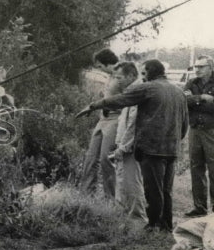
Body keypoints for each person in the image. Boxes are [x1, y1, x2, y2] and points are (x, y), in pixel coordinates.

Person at [77, 59, 189, 232]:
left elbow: (120, 100)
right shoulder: (178, 91)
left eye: (143, 73)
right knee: (166, 189)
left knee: (153, 189)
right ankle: (165, 226)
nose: (142, 78)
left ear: (151, 73)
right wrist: (176, 141)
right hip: (172, 148)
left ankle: (152, 226)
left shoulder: (148, 88)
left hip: (152, 147)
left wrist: (93, 106)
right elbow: (184, 123)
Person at [183, 55, 214, 217]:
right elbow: (184, 101)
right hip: (196, 130)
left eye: (201, 66)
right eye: (196, 66)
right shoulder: (192, 83)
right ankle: (200, 207)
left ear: (210, 67)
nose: (197, 69)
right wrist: (203, 98)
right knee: (196, 168)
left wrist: (194, 102)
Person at [78, 48, 121, 198]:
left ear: (108, 64)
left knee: (106, 159)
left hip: (115, 119)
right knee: (91, 158)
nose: (99, 70)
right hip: (103, 119)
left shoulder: (122, 77)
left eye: (100, 66)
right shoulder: (109, 78)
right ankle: (86, 195)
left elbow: (126, 100)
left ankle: (111, 198)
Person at [106, 62, 146, 220]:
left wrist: (123, 147)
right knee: (123, 182)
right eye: (115, 77)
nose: (117, 81)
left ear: (131, 76)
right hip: (125, 145)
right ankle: (125, 216)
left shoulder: (136, 92)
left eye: (120, 77)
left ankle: (137, 219)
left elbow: (133, 124)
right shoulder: (131, 91)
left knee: (131, 183)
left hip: (130, 147)